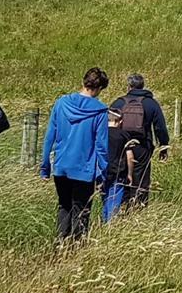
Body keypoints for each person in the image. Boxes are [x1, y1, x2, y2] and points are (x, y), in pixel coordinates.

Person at [40, 68, 110, 243]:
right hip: (84, 169)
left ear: (83, 82)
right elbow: (101, 145)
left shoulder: (61, 103)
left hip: (62, 166)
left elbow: (50, 137)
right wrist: (104, 172)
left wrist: (45, 167)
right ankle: (76, 249)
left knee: (64, 206)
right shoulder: (100, 111)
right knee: (82, 210)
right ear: (99, 87)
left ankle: (60, 245)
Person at [102, 73, 170, 220]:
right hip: (142, 148)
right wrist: (164, 145)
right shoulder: (151, 104)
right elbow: (160, 128)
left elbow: (108, 124)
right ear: (143, 85)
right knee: (142, 182)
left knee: (122, 179)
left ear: (129, 86)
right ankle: (138, 213)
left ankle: (120, 213)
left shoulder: (119, 103)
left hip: (120, 147)